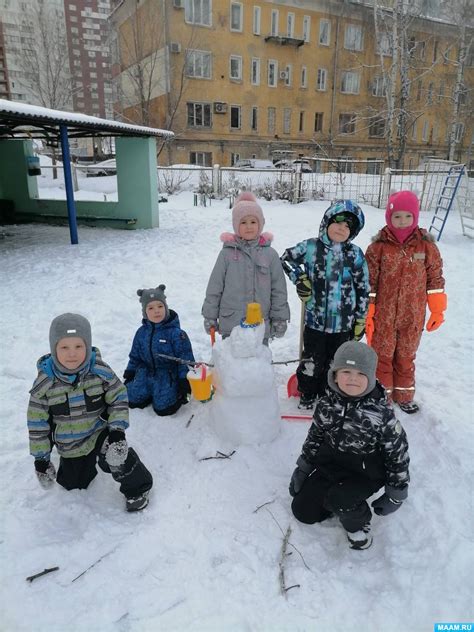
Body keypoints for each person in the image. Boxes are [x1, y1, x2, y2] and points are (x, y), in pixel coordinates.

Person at [289, 341, 410, 550]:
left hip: (364, 473)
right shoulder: (327, 404)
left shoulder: (381, 414)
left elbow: (397, 454)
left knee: (341, 499)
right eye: (346, 371)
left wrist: (395, 494)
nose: (353, 379)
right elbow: (315, 437)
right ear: (334, 375)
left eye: (361, 374)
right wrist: (303, 468)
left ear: (371, 378)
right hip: (331, 465)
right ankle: (334, 499)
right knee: (302, 511)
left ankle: (358, 524)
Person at [27, 313, 153, 512]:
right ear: (53, 349)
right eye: (64, 347)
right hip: (70, 443)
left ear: (87, 345)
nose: (72, 354)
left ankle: (138, 488)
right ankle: (80, 468)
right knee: (73, 484)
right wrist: (41, 458)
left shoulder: (100, 371)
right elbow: (37, 423)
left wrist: (117, 431)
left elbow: (119, 397)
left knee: (116, 456)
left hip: (98, 433)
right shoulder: (44, 383)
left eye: (78, 346)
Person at [281, 199, 369, 410]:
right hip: (315, 321)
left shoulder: (355, 254)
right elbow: (285, 259)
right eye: (338, 221)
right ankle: (308, 394)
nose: (342, 228)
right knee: (312, 361)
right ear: (327, 222)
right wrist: (300, 279)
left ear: (354, 232)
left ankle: (331, 396)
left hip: (344, 324)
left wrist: (360, 319)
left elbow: (363, 288)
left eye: (348, 226)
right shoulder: (311, 247)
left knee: (337, 363)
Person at [365, 190, 446, 414]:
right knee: (382, 354)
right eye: (397, 217)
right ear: (389, 218)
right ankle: (382, 394)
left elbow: (435, 279)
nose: (402, 222)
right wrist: (369, 311)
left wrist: (437, 309)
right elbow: (370, 282)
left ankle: (404, 395)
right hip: (384, 314)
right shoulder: (377, 248)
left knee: (406, 355)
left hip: (413, 313)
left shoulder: (426, 247)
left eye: (407, 216)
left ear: (416, 217)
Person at [202, 191, 290, 342]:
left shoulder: (270, 255)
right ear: (236, 225)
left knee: (258, 363)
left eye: (253, 222)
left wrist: (280, 318)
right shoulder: (226, 255)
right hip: (232, 324)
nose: (249, 227)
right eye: (243, 222)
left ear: (261, 224)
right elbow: (215, 287)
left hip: (260, 324)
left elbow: (278, 290)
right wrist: (210, 315)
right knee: (231, 362)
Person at [124, 285, 195, 416]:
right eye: (151, 308)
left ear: (166, 308)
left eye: (160, 306)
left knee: (164, 408)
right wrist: (130, 371)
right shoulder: (141, 332)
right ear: (145, 312)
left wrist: (184, 381)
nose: (156, 311)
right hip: (145, 372)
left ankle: (172, 393)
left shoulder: (176, 334)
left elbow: (185, 359)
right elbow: (135, 356)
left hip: (167, 374)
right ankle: (149, 391)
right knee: (132, 399)